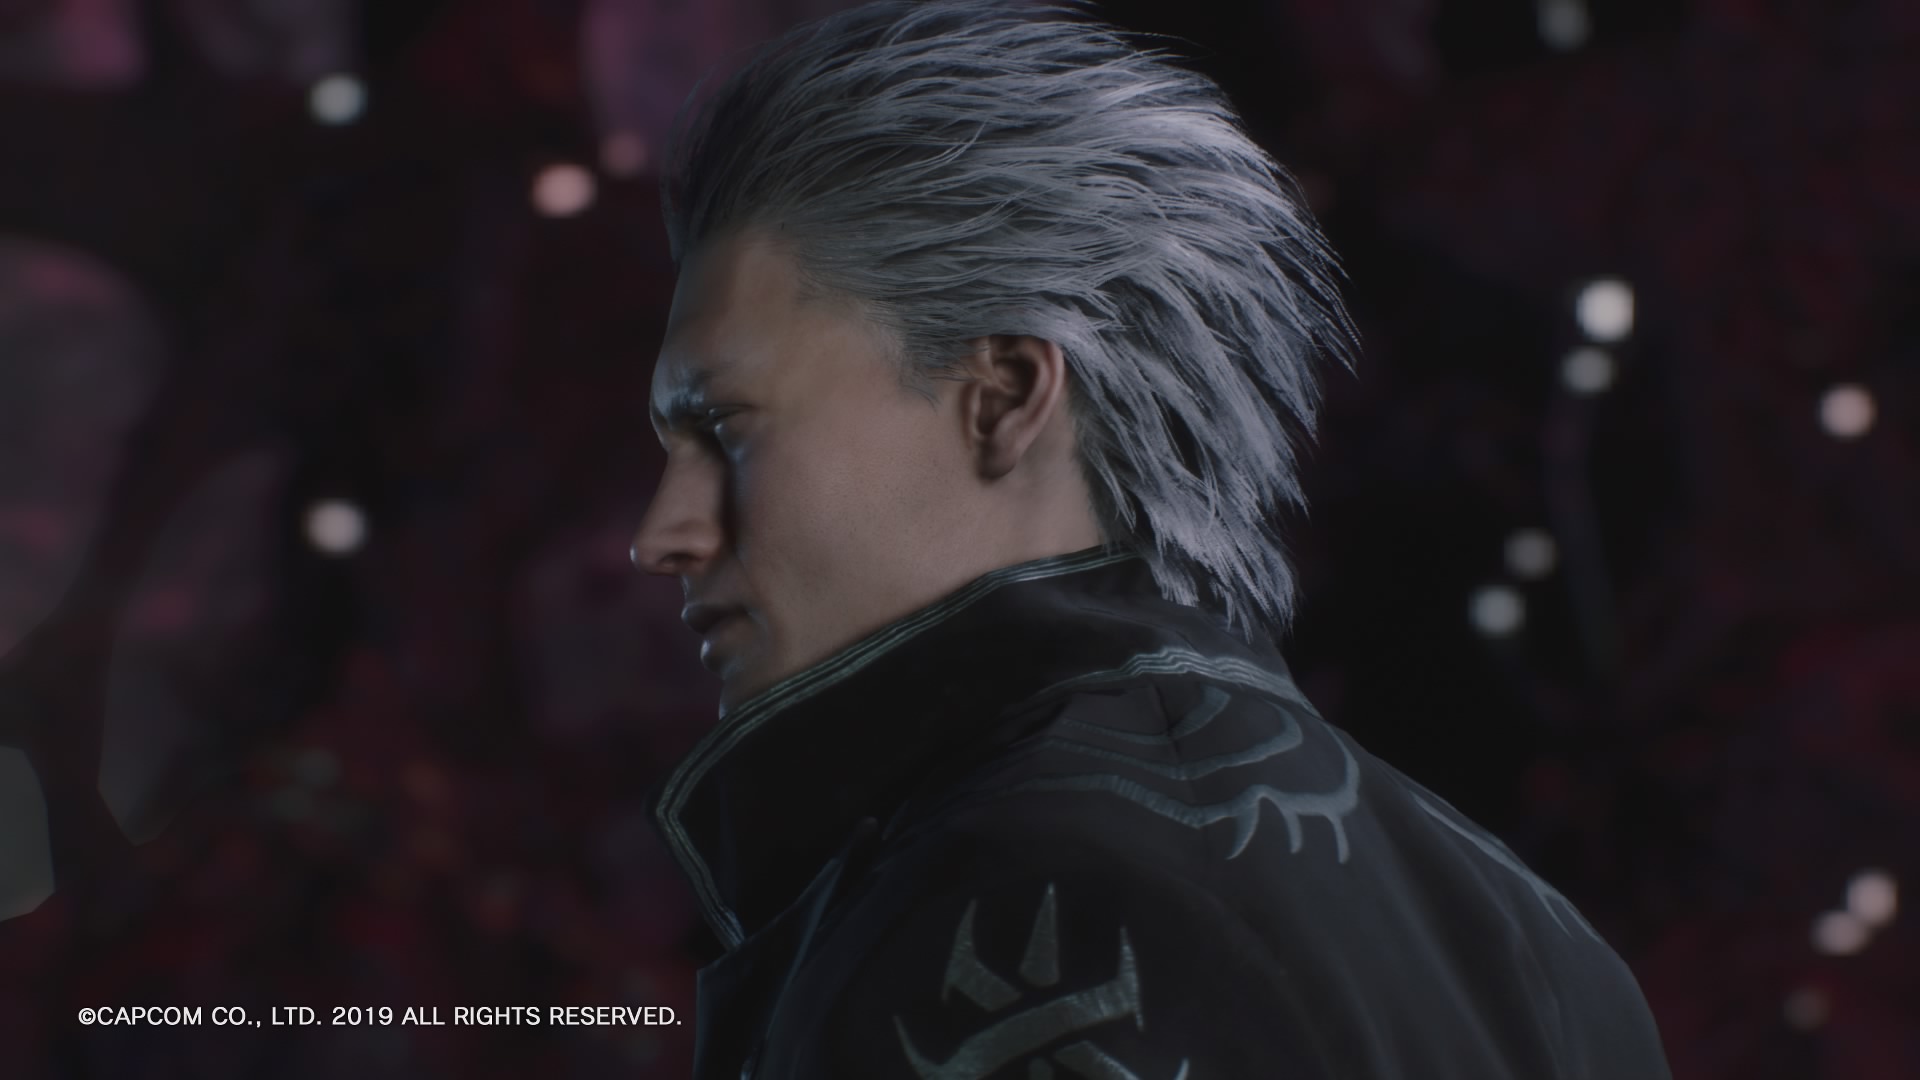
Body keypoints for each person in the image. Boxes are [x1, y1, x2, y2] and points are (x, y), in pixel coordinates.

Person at [628, 1, 1674, 1076]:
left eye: (727, 430)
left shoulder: (983, 910)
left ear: (1001, 398)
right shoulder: (1539, 941)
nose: (664, 534)